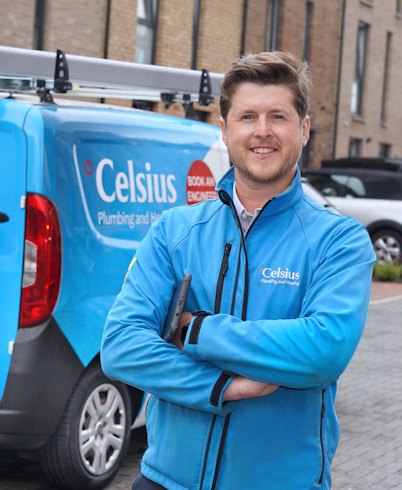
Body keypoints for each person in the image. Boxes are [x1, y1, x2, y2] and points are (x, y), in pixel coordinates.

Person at [101, 51, 375, 490]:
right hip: (163, 481)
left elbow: (324, 348)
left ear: (303, 130)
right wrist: (223, 386)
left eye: (278, 116)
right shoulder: (175, 232)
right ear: (225, 131)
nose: (262, 131)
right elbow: (121, 347)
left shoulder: (338, 241)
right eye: (247, 116)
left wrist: (196, 333)